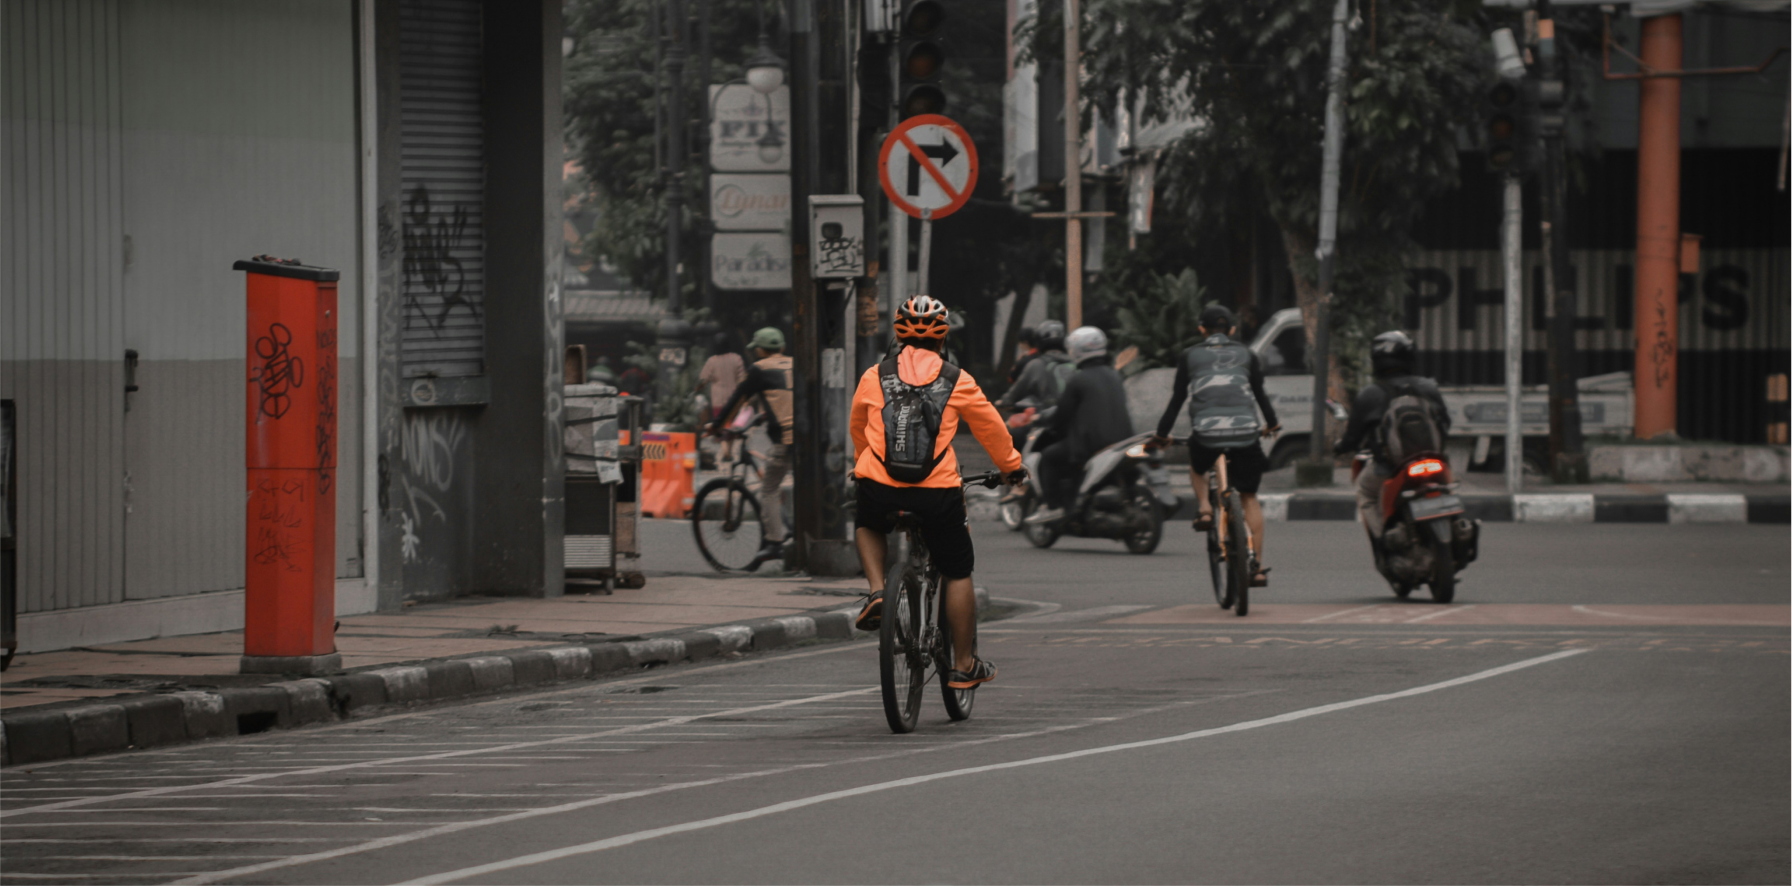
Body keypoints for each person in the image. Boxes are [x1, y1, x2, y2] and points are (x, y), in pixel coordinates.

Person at [850, 295, 1026, 690]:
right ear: (943, 338)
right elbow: (992, 430)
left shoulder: (873, 375)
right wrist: (1011, 467)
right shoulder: (956, 379)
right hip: (936, 491)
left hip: (878, 485)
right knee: (957, 569)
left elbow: (859, 427)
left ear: (897, 334)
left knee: (866, 521)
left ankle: (878, 592)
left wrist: (862, 464)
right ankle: (963, 664)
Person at [1151, 305, 1280, 585]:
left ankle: (1205, 509)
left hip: (1207, 435)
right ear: (1232, 330)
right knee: (1248, 497)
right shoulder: (1247, 354)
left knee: (1197, 466)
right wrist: (1272, 424)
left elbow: (1177, 399)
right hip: (1246, 433)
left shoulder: (1189, 356)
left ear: (1201, 330)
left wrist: (1162, 434)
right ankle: (1255, 566)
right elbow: (1260, 394)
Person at [1334, 330, 1451, 540]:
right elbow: (1446, 423)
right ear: (1409, 357)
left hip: (1390, 468)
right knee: (1450, 487)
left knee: (1365, 491)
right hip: (1435, 462)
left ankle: (1385, 538)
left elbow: (1352, 437)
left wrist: (1340, 447)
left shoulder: (1370, 394)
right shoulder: (1428, 387)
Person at [1024, 326, 1133, 526]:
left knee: (1048, 456)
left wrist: (1044, 422)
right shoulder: (1115, 376)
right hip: (1122, 442)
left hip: (1091, 444)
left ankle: (1053, 506)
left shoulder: (1078, 379)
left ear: (1075, 350)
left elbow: (1061, 415)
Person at [708, 327, 794, 569]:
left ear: (758, 350)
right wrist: (761, 417)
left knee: (768, 489)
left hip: (786, 438)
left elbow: (738, 398)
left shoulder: (758, 369)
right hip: (809, 437)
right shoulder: (794, 364)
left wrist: (716, 426)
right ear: (783, 348)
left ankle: (775, 542)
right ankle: (791, 531)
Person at [697, 332, 747, 463]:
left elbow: (703, 380)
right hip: (734, 399)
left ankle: (726, 451)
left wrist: (698, 388)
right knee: (730, 426)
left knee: (721, 426)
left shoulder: (712, 361)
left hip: (718, 399)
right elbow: (742, 378)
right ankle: (727, 451)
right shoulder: (737, 359)